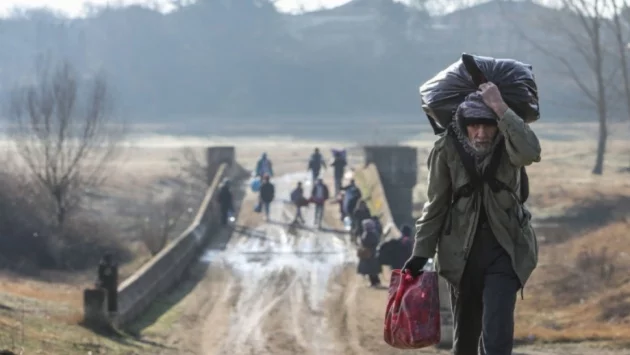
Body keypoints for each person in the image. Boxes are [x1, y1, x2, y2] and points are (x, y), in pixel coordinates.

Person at [402, 84, 541, 355]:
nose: (481, 133)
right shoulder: (446, 149)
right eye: (474, 126)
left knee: (497, 333)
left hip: (506, 250)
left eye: (488, 125)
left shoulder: (511, 142)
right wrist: (420, 253)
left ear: (498, 125)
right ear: (464, 125)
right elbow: (436, 205)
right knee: (464, 340)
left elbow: (530, 153)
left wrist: (501, 107)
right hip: (461, 256)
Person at [357, 218, 382, 287]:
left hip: (369, 253)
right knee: (372, 269)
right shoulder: (373, 233)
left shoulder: (369, 234)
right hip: (371, 252)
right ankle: (376, 281)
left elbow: (365, 242)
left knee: (370, 269)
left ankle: (374, 282)